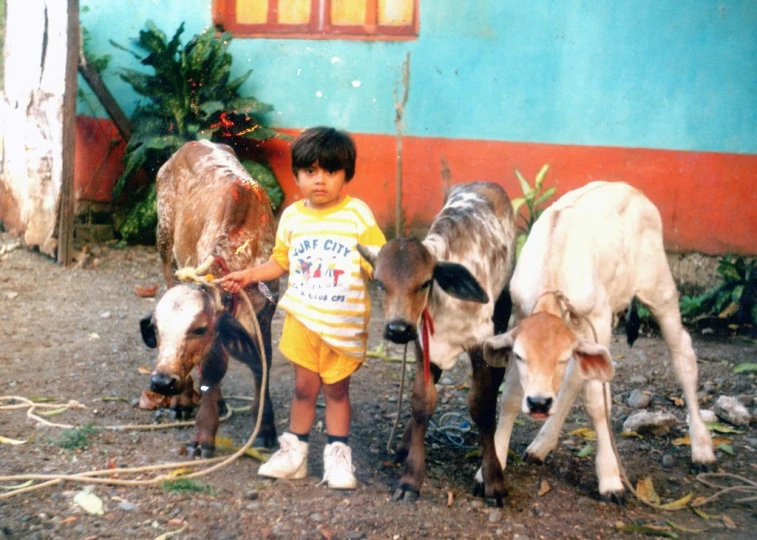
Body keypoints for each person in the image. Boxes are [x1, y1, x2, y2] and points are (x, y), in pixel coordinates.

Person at [220, 126, 386, 489]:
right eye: (310, 172)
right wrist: (247, 275)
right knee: (303, 389)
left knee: (337, 392)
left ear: (346, 175)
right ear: (296, 175)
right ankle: (294, 454)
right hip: (303, 322)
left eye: (330, 171)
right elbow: (280, 263)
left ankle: (338, 458)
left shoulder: (358, 215)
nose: (320, 180)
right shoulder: (293, 218)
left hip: (343, 325)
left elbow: (380, 262)